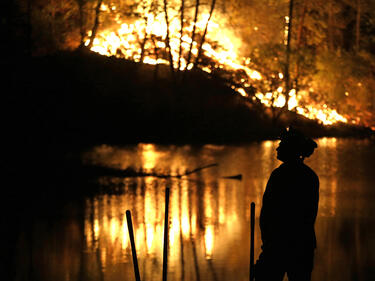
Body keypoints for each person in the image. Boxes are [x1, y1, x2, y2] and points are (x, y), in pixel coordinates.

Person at [255, 127, 319, 281]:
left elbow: (268, 213)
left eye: (282, 144)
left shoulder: (279, 176)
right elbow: (309, 215)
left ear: (291, 149)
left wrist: (268, 243)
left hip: (278, 246)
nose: (277, 147)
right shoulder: (310, 176)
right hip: (303, 246)